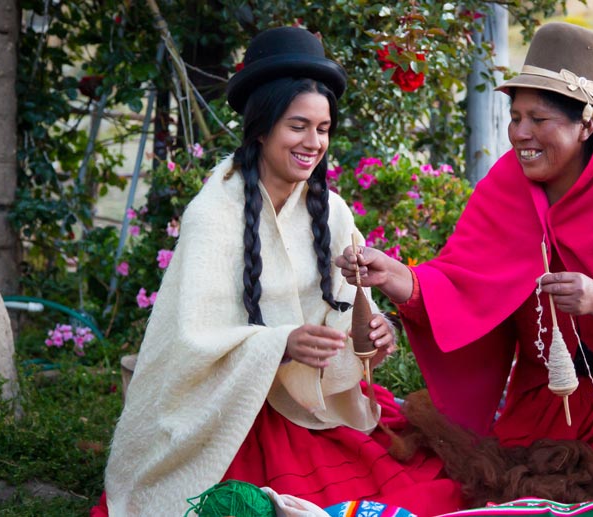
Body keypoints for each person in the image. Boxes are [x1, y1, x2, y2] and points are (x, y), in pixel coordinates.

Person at [335, 22, 593, 495]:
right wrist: (401, 279)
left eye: (539, 119)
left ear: (586, 122)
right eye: (515, 117)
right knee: (518, 485)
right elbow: (465, 279)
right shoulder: (507, 183)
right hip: (558, 390)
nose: (520, 133)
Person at [95, 27, 462, 516]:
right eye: (298, 126)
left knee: (403, 487)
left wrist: (372, 330)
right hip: (233, 410)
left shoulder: (330, 211)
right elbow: (189, 340)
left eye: (323, 128)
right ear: (263, 127)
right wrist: (280, 343)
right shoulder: (214, 213)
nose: (313, 142)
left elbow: (348, 332)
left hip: (311, 401)